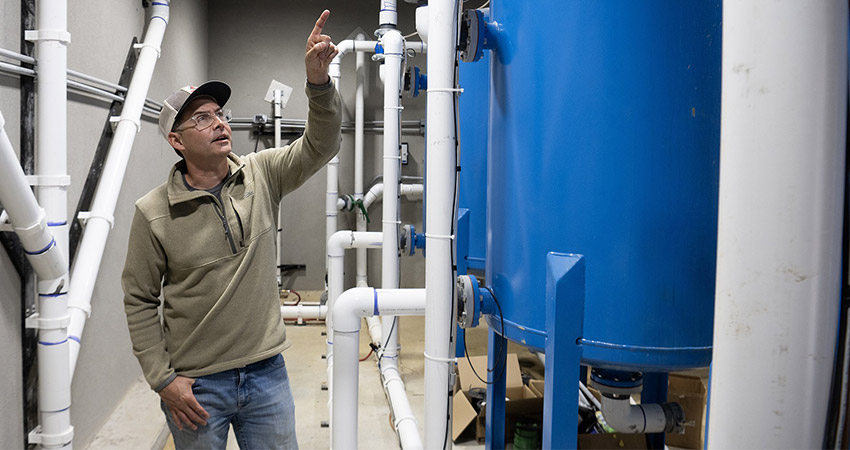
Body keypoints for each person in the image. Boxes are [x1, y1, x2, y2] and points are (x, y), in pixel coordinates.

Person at [121, 10, 340, 449]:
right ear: (177, 141)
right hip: (197, 386)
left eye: (219, 113)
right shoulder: (153, 213)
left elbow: (321, 144)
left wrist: (319, 84)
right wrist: (162, 379)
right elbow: (139, 299)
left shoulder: (263, 173)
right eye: (201, 119)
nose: (219, 123)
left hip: (266, 373)